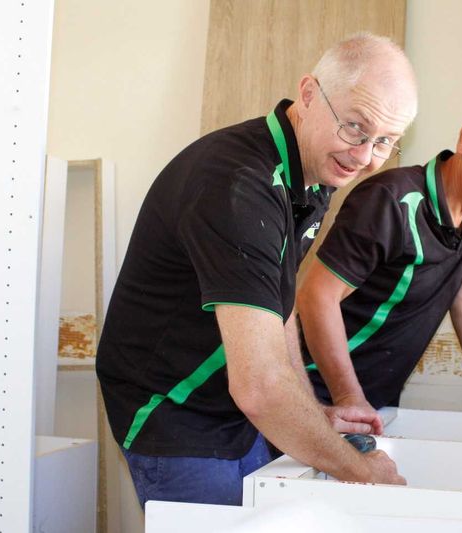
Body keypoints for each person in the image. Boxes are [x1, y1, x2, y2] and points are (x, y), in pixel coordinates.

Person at [95, 33, 418, 507]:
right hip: (175, 418)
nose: (365, 157)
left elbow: (279, 308)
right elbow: (262, 385)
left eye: (385, 142)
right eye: (355, 127)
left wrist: (310, 414)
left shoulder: (309, 173)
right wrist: (362, 472)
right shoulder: (239, 187)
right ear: (308, 94)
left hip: (232, 414)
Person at [297, 90, 462, 436]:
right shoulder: (391, 201)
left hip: (373, 404)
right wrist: (349, 397)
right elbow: (316, 296)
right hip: (317, 397)